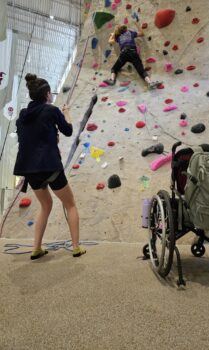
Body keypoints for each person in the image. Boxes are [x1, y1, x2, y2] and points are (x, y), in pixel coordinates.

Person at [14, 73, 86, 260]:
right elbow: (69, 131)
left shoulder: (22, 116)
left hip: (29, 170)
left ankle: (36, 248)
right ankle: (76, 247)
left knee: (45, 205)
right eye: (51, 93)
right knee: (70, 204)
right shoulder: (51, 110)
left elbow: (29, 138)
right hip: (49, 166)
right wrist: (66, 113)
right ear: (46, 94)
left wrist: (50, 135)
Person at [103, 23, 162, 89]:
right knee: (141, 70)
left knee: (114, 69)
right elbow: (142, 33)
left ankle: (112, 80)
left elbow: (109, 41)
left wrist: (113, 34)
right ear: (125, 29)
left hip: (124, 53)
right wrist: (137, 25)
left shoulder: (118, 37)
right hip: (133, 52)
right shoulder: (130, 33)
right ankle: (150, 83)